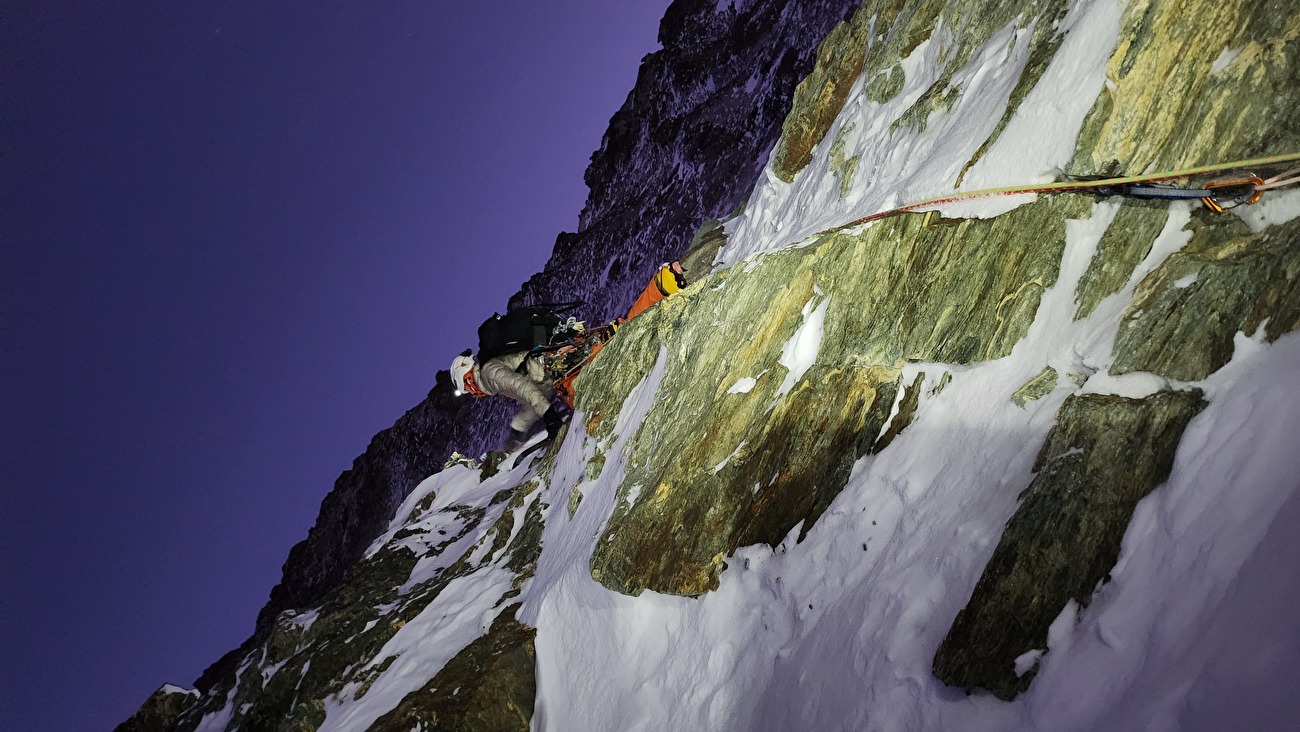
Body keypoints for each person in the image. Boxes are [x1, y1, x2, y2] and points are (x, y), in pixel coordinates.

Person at [450, 348, 564, 461]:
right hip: (544, 376)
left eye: (467, 389)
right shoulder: (489, 377)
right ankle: (512, 445)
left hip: (546, 366)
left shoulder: (489, 374)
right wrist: (517, 428)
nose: (472, 393)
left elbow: (523, 387)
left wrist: (549, 415)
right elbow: (529, 398)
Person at [623, 260, 687, 321]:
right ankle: (669, 277)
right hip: (662, 283)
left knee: (643, 304)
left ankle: (669, 278)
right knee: (645, 300)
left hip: (664, 286)